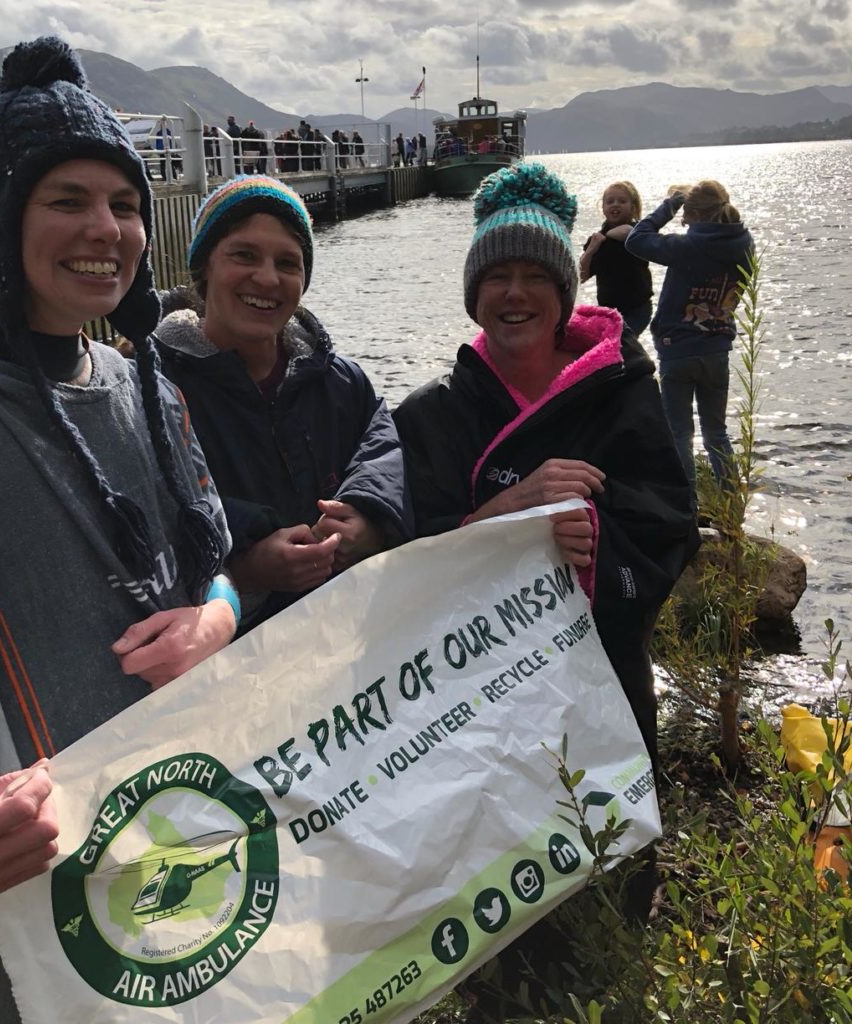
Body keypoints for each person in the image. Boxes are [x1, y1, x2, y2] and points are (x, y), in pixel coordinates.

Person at [0, 37, 238, 1024]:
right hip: (1, 899)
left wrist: (213, 627)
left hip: (163, 850)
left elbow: (218, 570)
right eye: (65, 199)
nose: (102, 228)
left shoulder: (150, 391)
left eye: (123, 204)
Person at [393, 163, 698, 1017]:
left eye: (535, 275)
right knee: (500, 933)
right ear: (472, 293)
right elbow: (403, 577)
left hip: (604, 685)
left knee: (611, 903)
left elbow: (671, 519)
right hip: (479, 715)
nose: (516, 293)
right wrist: (504, 515)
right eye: (497, 277)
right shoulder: (430, 414)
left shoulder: (627, 392)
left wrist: (597, 540)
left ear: (568, 290)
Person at [154, 175, 413, 634]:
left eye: (288, 263)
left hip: (344, 643)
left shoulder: (340, 380)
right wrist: (246, 566)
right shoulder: (154, 390)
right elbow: (153, 509)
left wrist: (369, 519)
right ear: (204, 268)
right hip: (238, 659)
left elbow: (381, 446)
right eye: (244, 255)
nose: (268, 278)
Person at [625, 181, 754, 501]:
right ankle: (732, 507)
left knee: (680, 434)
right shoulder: (745, 243)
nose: (682, 220)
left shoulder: (687, 247)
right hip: (717, 350)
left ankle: (688, 509)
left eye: (685, 213)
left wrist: (669, 205)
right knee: (717, 434)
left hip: (677, 351)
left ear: (694, 213)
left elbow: (635, 239)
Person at [579, 180, 653, 337]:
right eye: (610, 201)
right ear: (603, 208)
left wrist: (605, 237)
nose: (615, 205)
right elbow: (581, 275)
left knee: (623, 342)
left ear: (633, 206)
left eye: (622, 201)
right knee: (614, 350)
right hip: (609, 311)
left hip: (637, 308)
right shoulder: (597, 240)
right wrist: (591, 250)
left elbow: (625, 231)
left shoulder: (638, 231)